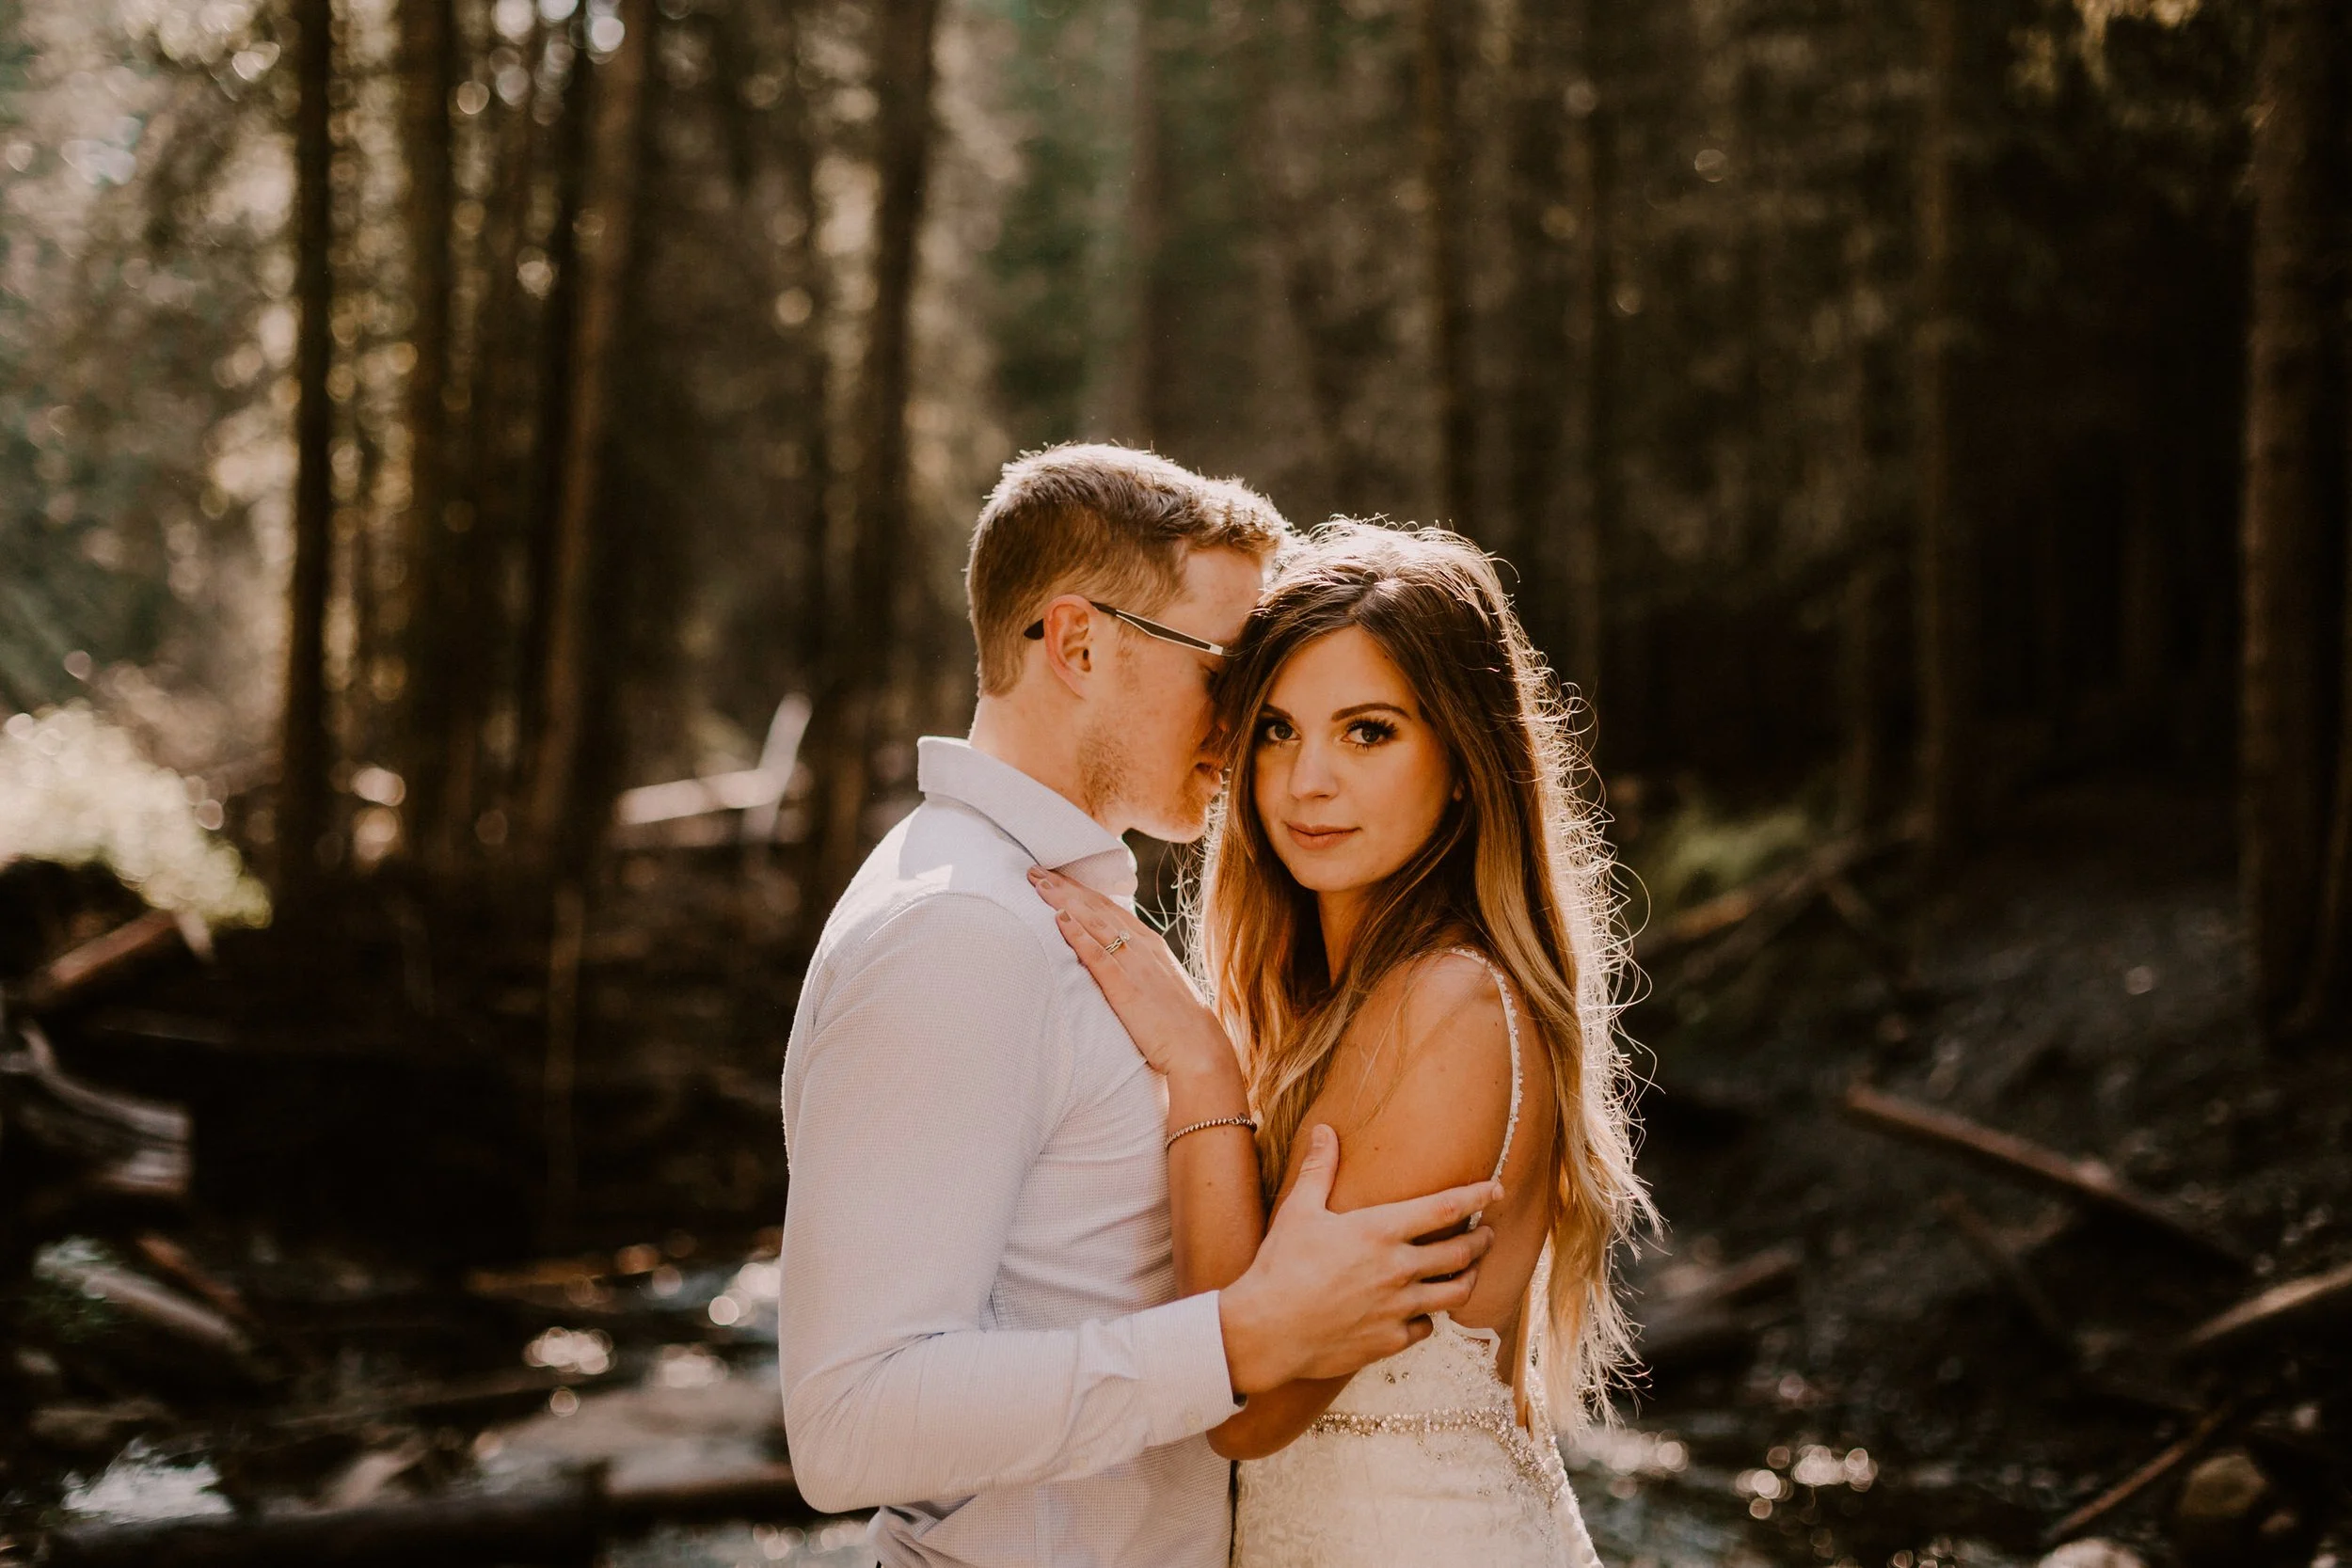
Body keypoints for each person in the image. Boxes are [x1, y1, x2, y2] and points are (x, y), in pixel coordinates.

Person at [779, 450, 1509, 1568]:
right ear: (1077, 643)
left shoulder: (1052, 911)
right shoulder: (958, 928)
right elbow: (848, 1420)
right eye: (1230, 667)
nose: (1250, 715)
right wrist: (1239, 1337)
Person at [1032, 520, 1654, 1568]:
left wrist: (1200, 1072)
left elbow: (1248, 1408)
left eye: (1367, 731)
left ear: (1464, 758)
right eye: (1275, 730)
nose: (1306, 780)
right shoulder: (1334, 1006)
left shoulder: (1449, 1005)